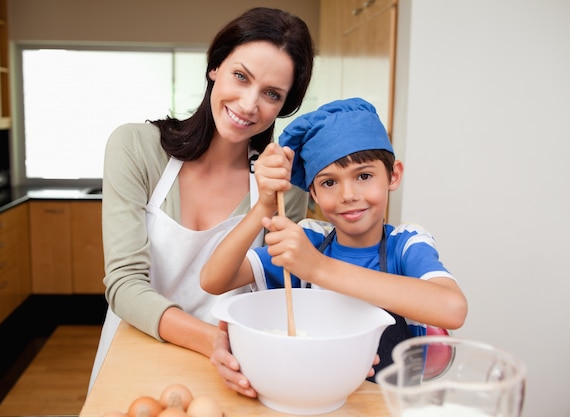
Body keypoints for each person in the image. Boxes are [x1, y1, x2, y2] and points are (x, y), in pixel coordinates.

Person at [88, 7, 315, 397]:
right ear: (215, 67)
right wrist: (213, 342)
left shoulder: (282, 189)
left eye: (271, 94)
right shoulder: (136, 148)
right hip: (138, 351)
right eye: (240, 76)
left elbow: (274, 295)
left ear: (284, 105)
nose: (248, 104)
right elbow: (124, 284)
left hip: (231, 372)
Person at [201, 97, 468, 379]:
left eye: (364, 176)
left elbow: (452, 310)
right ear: (313, 193)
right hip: (313, 394)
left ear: (393, 176)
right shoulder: (310, 239)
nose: (348, 195)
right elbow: (213, 279)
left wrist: (317, 268)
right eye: (329, 182)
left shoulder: (406, 245)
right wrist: (264, 205)